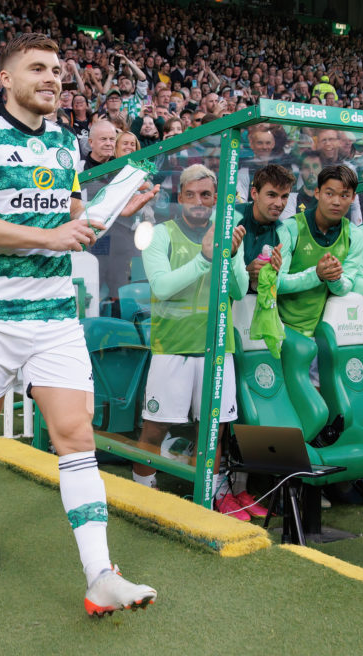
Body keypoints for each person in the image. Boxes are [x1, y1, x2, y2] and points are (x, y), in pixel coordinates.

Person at [0, 33, 158, 616]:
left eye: (58, 70)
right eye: (37, 68)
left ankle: (100, 574)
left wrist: (111, 213)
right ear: (6, 79)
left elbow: (70, 218)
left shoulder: (66, 143)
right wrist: (52, 237)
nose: (52, 78)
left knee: (76, 435)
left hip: (57, 315)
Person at [131, 164, 256, 518]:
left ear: (216, 199)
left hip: (218, 348)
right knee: (155, 428)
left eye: (206, 195)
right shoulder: (160, 235)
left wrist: (229, 256)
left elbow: (237, 290)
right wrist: (205, 257)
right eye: (191, 195)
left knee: (213, 431)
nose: (199, 202)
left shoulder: (228, 234)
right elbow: (162, 287)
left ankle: (210, 498)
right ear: (180, 198)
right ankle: (144, 494)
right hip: (173, 348)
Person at [276, 164, 363, 337]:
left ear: (353, 198)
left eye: (344, 195)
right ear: (317, 193)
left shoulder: (355, 235)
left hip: (326, 333)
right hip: (283, 331)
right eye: (329, 193)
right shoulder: (289, 228)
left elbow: (344, 287)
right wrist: (317, 275)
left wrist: (335, 278)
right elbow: (276, 283)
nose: (336, 201)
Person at [236, 164, 292, 293]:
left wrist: (275, 275)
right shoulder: (231, 217)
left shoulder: (283, 233)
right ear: (254, 193)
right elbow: (212, 270)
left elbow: (279, 285)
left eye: (284, 196)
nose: (279, 204)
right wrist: (245, 273)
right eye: (272, 195)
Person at [280, 150, 322, 220]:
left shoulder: (329, 197)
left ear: (322, 169)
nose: (311, 171)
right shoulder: (290, 197)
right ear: (300, 170)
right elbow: (290, 226)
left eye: (315, 166)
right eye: (306, 167)